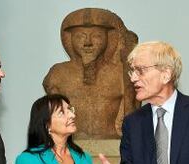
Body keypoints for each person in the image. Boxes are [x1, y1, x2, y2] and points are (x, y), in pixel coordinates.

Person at [43, 8, 139, 139]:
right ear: (69, 40)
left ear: (109, 39)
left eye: (96, 36)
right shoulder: (58, 74)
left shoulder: (121, 74)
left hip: (114, 150)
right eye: (80, 36)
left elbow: (132, 116)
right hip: (70, 150)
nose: (88, 43)